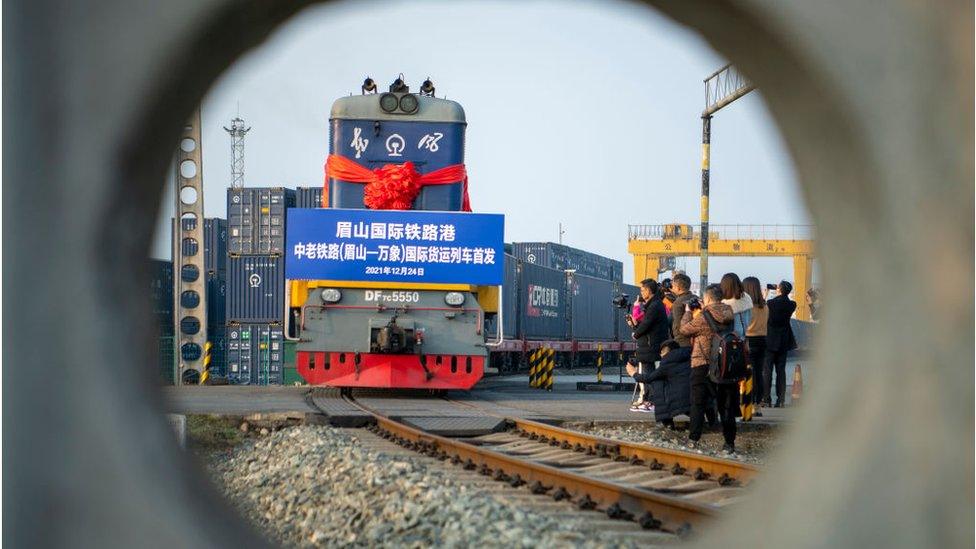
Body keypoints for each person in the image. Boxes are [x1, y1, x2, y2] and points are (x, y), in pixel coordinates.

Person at [679, 284, 738, 453]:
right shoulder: (729, 312)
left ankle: (693, 439)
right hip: (725, 364)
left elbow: (684, 330)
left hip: (702, 363)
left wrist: (688, 311)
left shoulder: (704, 316)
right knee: (725, 405)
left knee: (697, 402)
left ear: (708, 298)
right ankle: (729, 443)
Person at [627, 339, 691, 428]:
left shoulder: (667, 363)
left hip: (678, 401)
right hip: (695, 400)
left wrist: (633, 373)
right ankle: (710, 423)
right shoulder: (689, 358)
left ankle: (667, 422)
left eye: (661, 353)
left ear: (666, 352)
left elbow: (649, 378)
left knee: (658, 382)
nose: (660, 355)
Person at [626, 279, 669, 412]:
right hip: (649, 344)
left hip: (650, 345)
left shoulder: (654, 305)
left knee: (648, 374)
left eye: (643, 290)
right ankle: (648, 400)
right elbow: (646, 324)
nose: (641, 293)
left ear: (649, 291)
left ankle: (650, 401)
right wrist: (635, 325)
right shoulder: (654, 304)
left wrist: (635, 333)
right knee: (648, 372)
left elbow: (647, 324)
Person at [720, 273, 754, 420]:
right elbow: (749, 320)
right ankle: (739, 411)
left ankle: (725, 411)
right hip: (742, 343)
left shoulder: (723, 304)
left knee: (723, 376)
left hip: (726, 343)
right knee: (738, 377)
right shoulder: (746, 300)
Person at [764, 280, 798, 407]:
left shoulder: (771, 303)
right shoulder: (792, 304)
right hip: (783, 340)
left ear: (779, 290)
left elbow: (764, 308)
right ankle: (781, 400)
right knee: (781, 371)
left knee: (767, 371)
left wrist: (767, 293)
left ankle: (766, 399)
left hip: (770, 339)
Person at [742, 276, 768, 417]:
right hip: (762, 341)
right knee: (759, 374)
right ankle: (757, 405)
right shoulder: (765, 307)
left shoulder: (747, 307)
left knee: (748, 375)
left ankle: (748, 405)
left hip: (749, 341)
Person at [669, 273, 695, 347]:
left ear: (678, 288)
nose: (672, 288)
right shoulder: (697, 298)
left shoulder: (678, 303)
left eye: (673, 286)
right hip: (696, 339)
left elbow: (677, 324)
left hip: (683, 341)